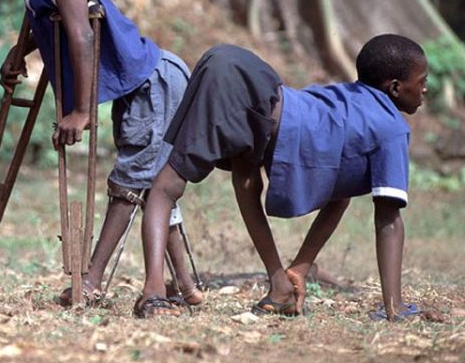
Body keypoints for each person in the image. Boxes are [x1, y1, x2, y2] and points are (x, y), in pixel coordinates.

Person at [0, 0, 202, 306]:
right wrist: (19, 53)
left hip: (153, 83)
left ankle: (90, 280)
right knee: (152, 181)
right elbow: (43, 26)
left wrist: (81, 111)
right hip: (140, 86)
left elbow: (81, 34)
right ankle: (187, 285)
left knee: (129, 183)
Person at [135, 35, 427, 320]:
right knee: (166, 188)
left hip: (246, 84)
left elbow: (340, 194)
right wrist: (395, 305)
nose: (425, 89)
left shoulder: (351, 101)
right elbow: (388, 221)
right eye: (422, 81)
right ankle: (153, 291)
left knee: (247, 183)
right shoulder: (391, 130)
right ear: (396, 88)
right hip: (244, 89)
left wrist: (301, 266)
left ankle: (281, 284)